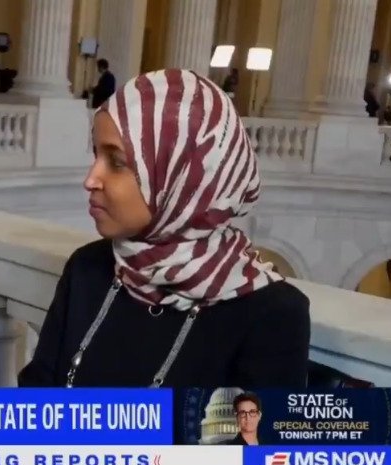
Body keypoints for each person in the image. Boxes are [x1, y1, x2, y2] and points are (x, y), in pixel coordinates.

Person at [18, 69, 311, 388]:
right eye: (96, 154)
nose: (90, 179)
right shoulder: (87, 268)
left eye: (117, 162)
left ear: (182, 177)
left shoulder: (272, 314)